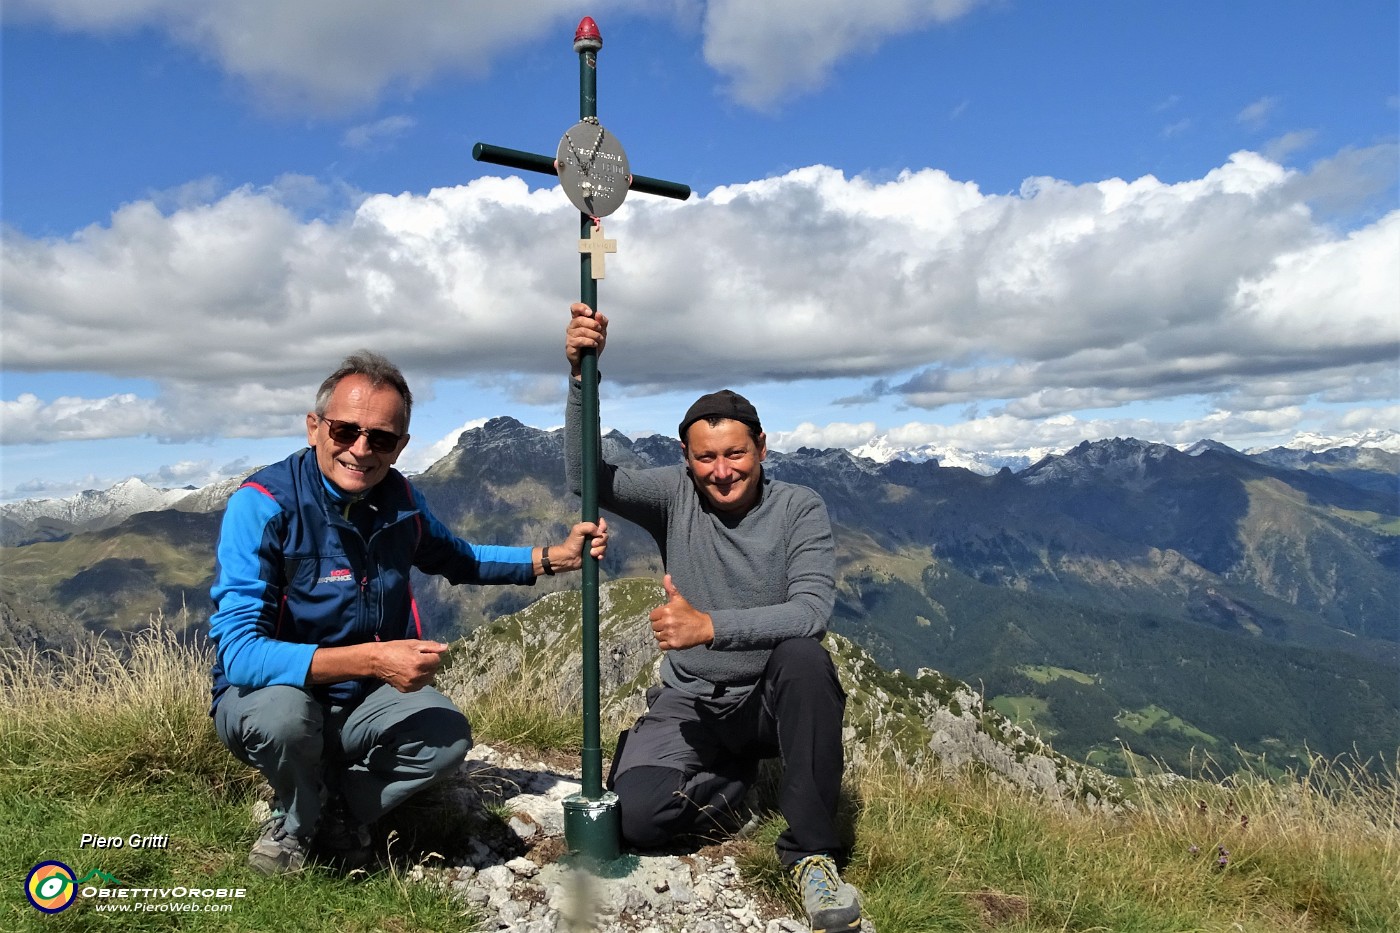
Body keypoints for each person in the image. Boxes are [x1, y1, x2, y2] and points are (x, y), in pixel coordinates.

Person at [209, 350, 608, 875]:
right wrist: (373, 661)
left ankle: (336, 809)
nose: (360, 449)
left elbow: (460, 558)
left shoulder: (401, 503)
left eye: (380, 438)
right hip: (274, 697)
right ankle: (293, 824)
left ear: (400, 447)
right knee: (286, 720)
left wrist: (553, 559)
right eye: (345, 430)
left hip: (360, 703)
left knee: (446, 738)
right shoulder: (263, 504)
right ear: (314, 427)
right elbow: (239, 655)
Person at [564, 304, 862, 932]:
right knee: (638, 820)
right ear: (686, 457)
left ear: (760, 447)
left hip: (767, 700)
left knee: (806, 658)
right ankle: (738, 788)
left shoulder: (799, 508)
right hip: (692, 702)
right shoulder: (674, 497)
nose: (721, 471)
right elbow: (584, 478)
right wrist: (578, 378)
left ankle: (811, 855)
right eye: (705, 459)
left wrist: (710, 626)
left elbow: (811, 611)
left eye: (735, 454)